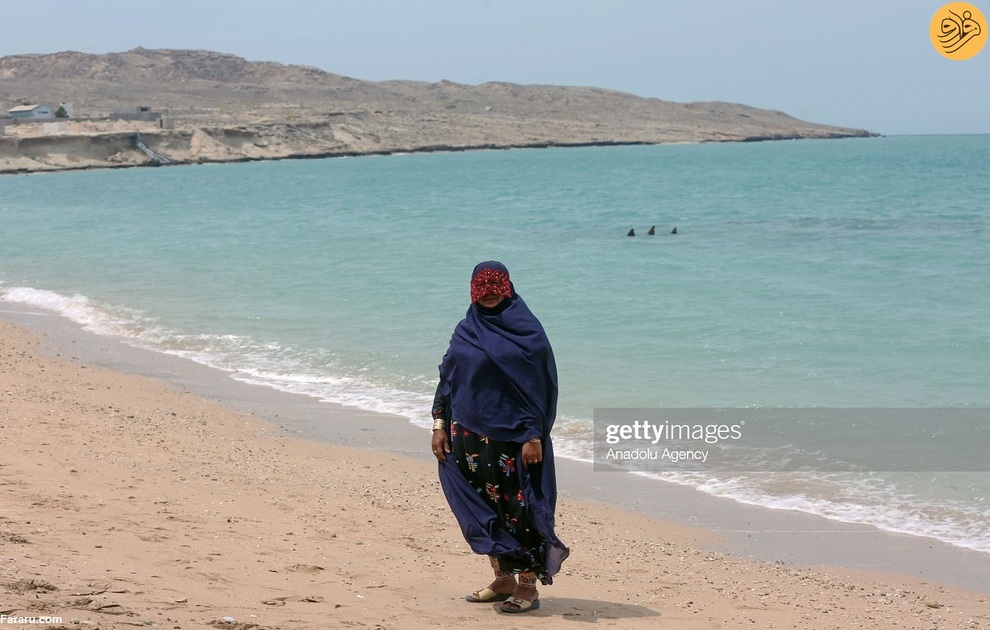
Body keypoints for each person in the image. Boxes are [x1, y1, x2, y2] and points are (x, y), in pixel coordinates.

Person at [431, 261, 569, 614]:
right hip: (468, 436)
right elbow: (448, 378)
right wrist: (439, 424)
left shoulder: (528, 334)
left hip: (515, 440)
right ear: (472, 290)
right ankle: (502, 579)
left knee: (519, 510)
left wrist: (534, 435)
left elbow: (538, 389)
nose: (489, 293)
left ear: (507, 287)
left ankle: (527, 587)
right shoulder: (465, 330)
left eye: (496, 285)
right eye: (482, 286)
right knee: (483, 509)